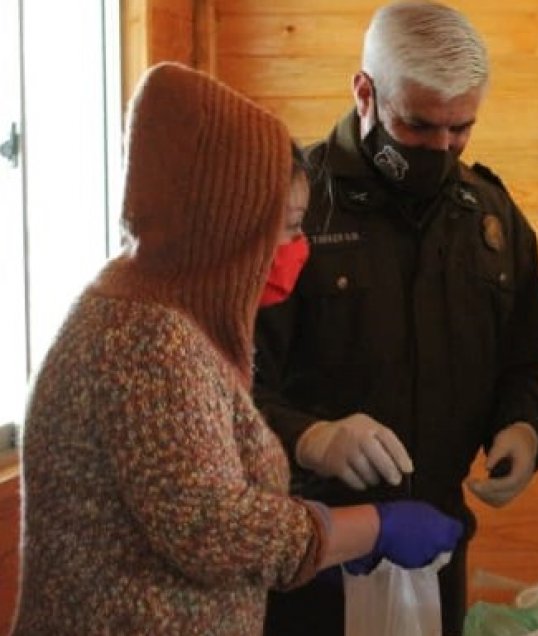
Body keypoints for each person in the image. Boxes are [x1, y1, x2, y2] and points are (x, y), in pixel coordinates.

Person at [11, 62, 462, 635]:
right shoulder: (147, 337)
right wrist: (369, 527)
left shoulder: (166, 312)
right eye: (289, 227)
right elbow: (211, 527)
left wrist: (318, 543)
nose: (299, 250)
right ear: (227, 227)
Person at [252, 2, 538, 633]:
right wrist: (312, 438)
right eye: (419, 126)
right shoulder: (291, 209)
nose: (442, 148)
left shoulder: (492, 220)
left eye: (462, 128)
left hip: (435, 546)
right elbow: (231, 390)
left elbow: (525, 367)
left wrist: (524, 430)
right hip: (309, 554)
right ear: (364, 92)